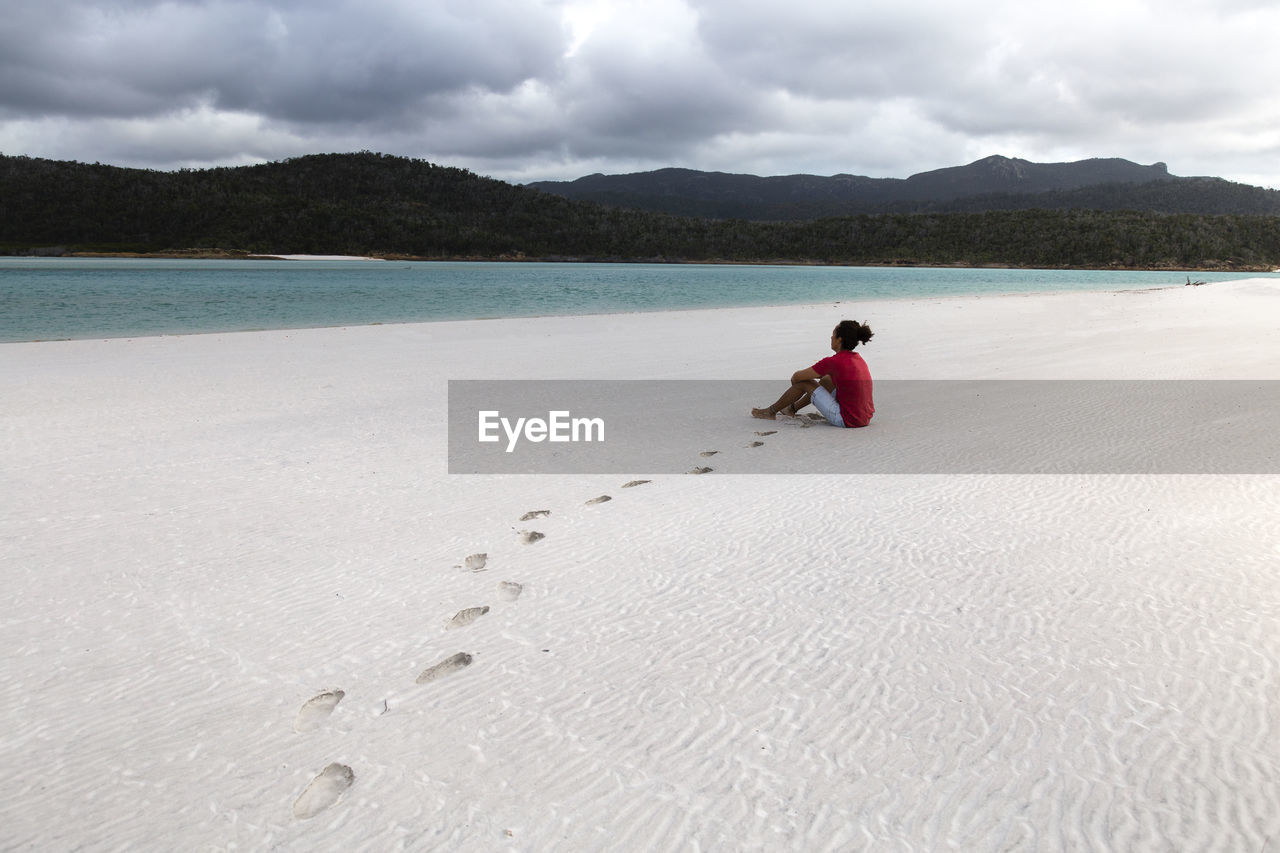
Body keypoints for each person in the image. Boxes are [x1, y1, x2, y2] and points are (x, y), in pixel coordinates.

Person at [751, 320, 874, 427]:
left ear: (839, 339)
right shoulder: (858, 358)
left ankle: (770, 412)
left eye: (833, 335)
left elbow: (797, 377)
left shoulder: (833, 362)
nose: (831, 338)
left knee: (805, 383)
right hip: (864, 418)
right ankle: (791, 409)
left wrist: (800, 385)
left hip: (847, 420)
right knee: (827, 380)